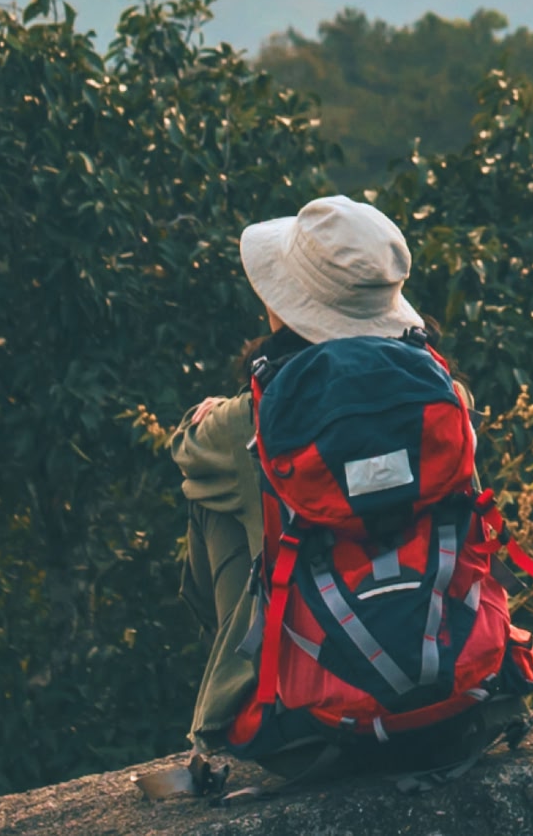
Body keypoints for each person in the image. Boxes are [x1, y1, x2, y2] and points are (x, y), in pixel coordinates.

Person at [171, 194, 432, 761]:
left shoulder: (255, 423)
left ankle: (248, 679)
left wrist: (215, 413)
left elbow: (186, 451)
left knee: (213, 497)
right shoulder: (444, 396)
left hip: (311, 724)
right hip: (449, 684)